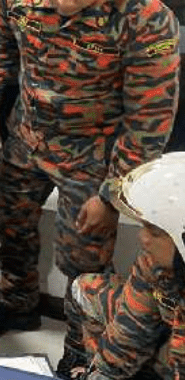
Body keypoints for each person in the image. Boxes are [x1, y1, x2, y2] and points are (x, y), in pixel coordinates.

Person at [0, 0, 180, 376]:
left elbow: (148, 120)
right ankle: (19, 304)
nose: (65, 0)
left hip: (95, 156)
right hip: (26, 137)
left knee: (84, 261)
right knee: (9, 222)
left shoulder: (147, 21)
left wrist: (112, 195)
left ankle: (80, 345)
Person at [69, 152, 185, 380]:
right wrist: (101, 374)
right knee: (86, 288)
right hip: (168, 332)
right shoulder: (156, 261)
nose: (142, 238)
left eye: (154, 232)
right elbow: (129, 328)